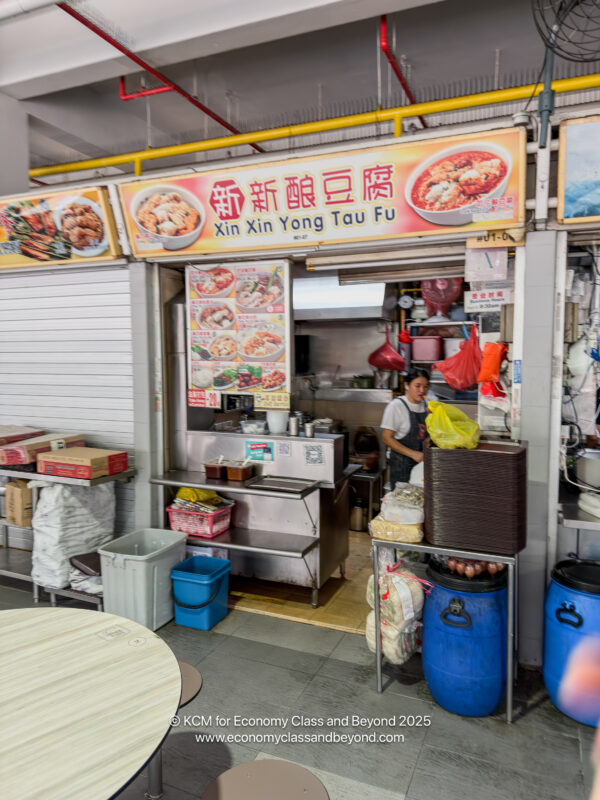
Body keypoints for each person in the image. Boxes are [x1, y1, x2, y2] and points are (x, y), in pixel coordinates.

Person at [381, 368, 430, 486]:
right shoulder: (396, 406)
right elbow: (386, 438)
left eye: (426, 386)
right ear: (407, 385)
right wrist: (413, 454)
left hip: (422, 464)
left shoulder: (427, 406)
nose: (422, 390)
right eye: (417, 386)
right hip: (402, 466)